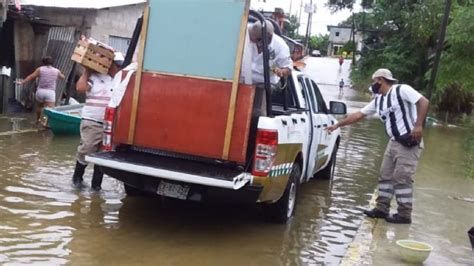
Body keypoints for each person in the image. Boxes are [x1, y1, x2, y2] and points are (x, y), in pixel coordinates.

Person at [326, 68, 429, 224]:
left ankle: (404, 214)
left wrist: (418, 125)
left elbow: (424, 101)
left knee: (402, 178)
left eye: (374, 82)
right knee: (385, 175)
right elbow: (358, 115)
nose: (372, 85)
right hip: (394, 141)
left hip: (409, 141)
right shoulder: (379, 100)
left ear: (381, 80)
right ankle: (381, 208)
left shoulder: (402, 90)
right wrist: (337, 125)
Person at [72, 51, 124, 190]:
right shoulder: (95, 77)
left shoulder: (121, 80)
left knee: (103, 155)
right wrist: (86, 71)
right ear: (110, 65)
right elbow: (80, 88)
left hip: (110, 125)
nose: (119, 68)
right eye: (117, 65)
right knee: (87, 148)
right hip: (92, 120)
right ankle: (77, 178)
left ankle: (96, 186)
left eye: (120, 66)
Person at [20, 56, 65, 124]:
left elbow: (31, 76)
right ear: (52, 63)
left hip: (40, 91)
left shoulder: (40, 69)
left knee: (39, 106)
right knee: (51, 109)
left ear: (43, 62)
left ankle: (38, 120)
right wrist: (58, 75)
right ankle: (46, 123)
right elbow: (62, 77)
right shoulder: (56, 71)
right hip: (50, 92)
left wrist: (22, 82)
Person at [248, 20, 293, 85]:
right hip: (243, 81)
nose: (249, 38)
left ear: (261, 41)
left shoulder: (280, 46)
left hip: (265, 84)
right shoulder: (246, 33)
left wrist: (280, 71)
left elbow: (288, 69)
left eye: (252, 39)